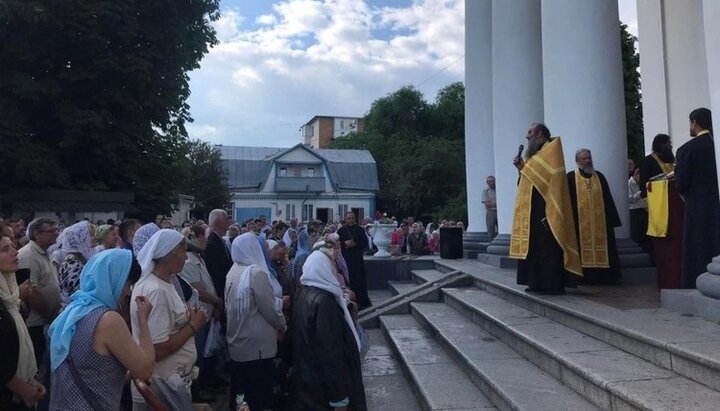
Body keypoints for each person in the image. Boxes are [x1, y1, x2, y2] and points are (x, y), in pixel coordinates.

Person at [48, 250, 155, 410]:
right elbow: (145, 370)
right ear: (114, 280)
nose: (128, 292)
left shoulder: (73, 311)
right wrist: (143, 321)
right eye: (128, 284)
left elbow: (94, 372)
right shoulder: (108, 320)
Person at [129, 229, 208, 410]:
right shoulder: (156, 290)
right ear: (168, 254)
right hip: (161, 387)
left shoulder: (163, 282)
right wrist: (193, 325)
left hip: (169, 384)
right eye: (183, 252)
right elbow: (157, 349)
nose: (186, 258)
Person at [291, 247, 366, 410]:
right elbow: (331, 353)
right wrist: (339, 398)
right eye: (331, 263)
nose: (335, 267)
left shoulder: (304, 293)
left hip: (309, 382)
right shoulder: (324, 302)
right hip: (322, 388)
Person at [510, 123, 582, 294]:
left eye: (530, 132)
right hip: (531, 212)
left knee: (548, 249)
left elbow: (548, 181)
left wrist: (525, 168)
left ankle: (551, 285)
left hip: (547, 211)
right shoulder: (535, 156)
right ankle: (536, 283)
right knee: (536, 249)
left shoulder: (551, 150)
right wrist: (521, 168)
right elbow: (530, 180)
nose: (527, 136)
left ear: (539, 133)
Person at [225, 233, 286, 411]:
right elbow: (269, 308)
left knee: (241, 390)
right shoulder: (256, 273)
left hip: (238, 339)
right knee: (258, 393)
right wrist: (282, 325)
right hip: (257, 345)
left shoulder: (233, 271)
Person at [0, 227, 46, 410]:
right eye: (5, 249)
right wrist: (23, 388)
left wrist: (29, 382)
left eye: (12, 246)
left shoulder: (8, 292)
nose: (15, 252)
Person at [675, 107, 720, 288]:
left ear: (694, 123)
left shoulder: (687, 149)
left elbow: (682, 182)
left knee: (698, 244)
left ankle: (695, 281)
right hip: (716, 202)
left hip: (697, 205)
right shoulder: (715, 145)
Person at [567, 149, 622, 285]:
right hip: (579, 223)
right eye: (584, 159)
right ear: (577, 161)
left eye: (589, 158)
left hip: (601, 224)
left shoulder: (599, 177)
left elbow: (607, 199)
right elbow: (567, 201)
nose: (588, 161)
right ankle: (582, 278)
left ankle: (605, 277)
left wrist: (613, 220)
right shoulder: (570, 178)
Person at [179, 224, 222, 392]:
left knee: (205, 352)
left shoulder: (198, 257)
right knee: (197, 355)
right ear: (194, 238)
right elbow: (198, 290)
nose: (206, 240)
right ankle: (198, 390)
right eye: (203, 236)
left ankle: (206, 384)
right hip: (198, 314)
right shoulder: (188, 260)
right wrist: (217, 301)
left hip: (205, 314)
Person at [18, 218, 61, 368]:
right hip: (34, 323)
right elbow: (30, 291)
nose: (56, 234)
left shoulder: (43, 252)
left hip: (44, 320)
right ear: (37, 234)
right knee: (33, 364)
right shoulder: (29, 255)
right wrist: (48, 313)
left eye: (57, 230)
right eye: (51, 231)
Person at [51, 221, 97, 305]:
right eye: (90, 235)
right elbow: (78, 291)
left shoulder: (83, 258)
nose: (94, 237)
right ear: (79, 238)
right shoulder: (72, 262)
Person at [337, 212, 371, 309]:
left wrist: (355, 244)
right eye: (348, 218)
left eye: (352, 218)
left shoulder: (359, 230)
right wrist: (345, 244)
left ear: (354, 219)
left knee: (359, 281)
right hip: (345, 260)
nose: (351, 220)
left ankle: (362, 302)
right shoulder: (341, 231)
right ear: (345, 219)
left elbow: (365, 243)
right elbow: (338, 244)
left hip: (357, 260)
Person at [203, 209, 233, 298]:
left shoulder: (220, 240)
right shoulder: (212, 244)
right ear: (217, 221)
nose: (229, 221)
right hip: (219, 292)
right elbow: (215, 272)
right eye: (226, 218)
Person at [629, 167, 652, 258]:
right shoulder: (629, 183)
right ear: (636, 175)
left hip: (644, 210)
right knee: (636, 235)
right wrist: (640, 193)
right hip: (635, 211)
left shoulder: (643, 184)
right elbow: (630, 198)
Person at [482, 175, 498, 241]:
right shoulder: (486, 191)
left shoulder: (499, 189)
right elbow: (487, 204)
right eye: (490, 182)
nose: (492, 183)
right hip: (490, 212)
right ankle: (491, 242)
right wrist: (497, 204)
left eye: (493, 181)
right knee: (490, 229)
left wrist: (493, 204)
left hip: (499, 212)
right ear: (487, 183)